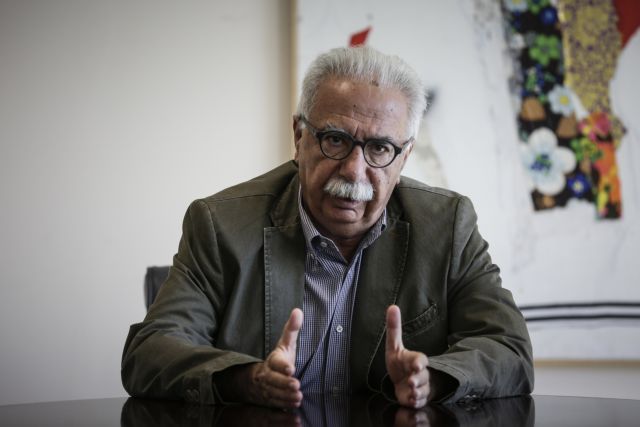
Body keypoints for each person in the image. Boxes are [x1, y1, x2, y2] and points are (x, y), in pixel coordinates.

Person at [121, 46, 533, 409]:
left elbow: (508, 349)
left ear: (404, 158)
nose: (354, 170)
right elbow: (150, 352)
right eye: (335, 140)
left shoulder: (447, 225)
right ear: (299, 136)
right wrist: (248, 380)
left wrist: (434, 379)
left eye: (379, 148)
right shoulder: (221, 225)